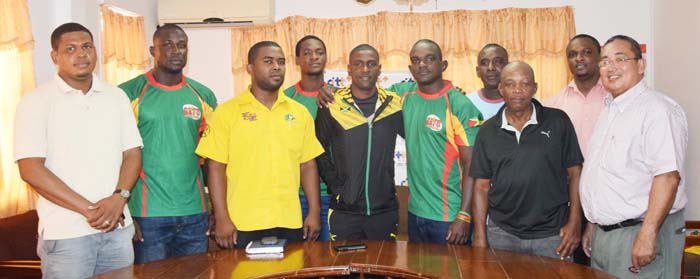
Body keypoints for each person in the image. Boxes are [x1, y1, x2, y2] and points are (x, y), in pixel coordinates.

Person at [14, 22, 142, 278]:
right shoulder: (36, 101)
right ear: (55, 56)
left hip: (117, 231)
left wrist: (120, 197)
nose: (81, 54)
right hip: (67, 235)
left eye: (87, 47)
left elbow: (133, 153)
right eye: (70, 49)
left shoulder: (115, 96)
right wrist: (89, 210)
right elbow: (30, 169)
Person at [196, 41, 323, 249]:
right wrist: (221, 217)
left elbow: (307, 165)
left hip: (289, 220)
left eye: (281, 62)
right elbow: (216, 167)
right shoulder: (227, 113)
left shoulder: (300, 113)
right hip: (241, 224)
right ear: (250, 69)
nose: (276, 67)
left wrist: (314, 213)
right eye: (268, 61)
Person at [580, 35, 688, 279]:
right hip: (606, 237)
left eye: (621, 59)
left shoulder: (657, 110)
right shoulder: (609, 111)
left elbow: (668, 177)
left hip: (641, 233)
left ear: (640, 65)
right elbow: (604, 176)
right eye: (605, 61)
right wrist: (593, 225)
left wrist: (648, 235)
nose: (611, 67)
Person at [118, 24, 217, 263]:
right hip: (147, 215)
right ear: (153, 50)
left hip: (195, 213)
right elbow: (113, 156)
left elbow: (214, 159)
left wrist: (214, 207)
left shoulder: (203, 95)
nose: (176, 51)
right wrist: (125, 212)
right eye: (168, 45)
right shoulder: (128, 94)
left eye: (182, 45)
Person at [470, 61, 583, 260]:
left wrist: (575, 222)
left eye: (525, 83)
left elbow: (575, 173)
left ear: (535, 88)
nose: (518, 90)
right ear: (501, 88)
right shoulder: (487, 131)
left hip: (552, 235)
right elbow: (481, 187)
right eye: (510, 84)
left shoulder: (558, 121)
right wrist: (480, 234)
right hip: (502, 234)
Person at [387, 39, 482, 244]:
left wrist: (464, 216)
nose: (422, 65)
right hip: (415, 213)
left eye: (430, 59)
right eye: (416, 60)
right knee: (418, 274)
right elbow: (365, 93)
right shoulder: (402, 94)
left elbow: (472, 166)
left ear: (443, 65)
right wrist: (331, 91)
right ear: (410, 68)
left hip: (449, 218)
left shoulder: (460, 105)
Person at [315, 44, 404, 240]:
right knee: (346, 270)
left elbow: (422, 102)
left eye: (371, 64)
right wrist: (337, 187)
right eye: (359, 64)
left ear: (379, 69)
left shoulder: (395, 103)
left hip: (384, 211)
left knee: (381, 270)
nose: (365, 69)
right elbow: (318, 150)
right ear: (349, 69)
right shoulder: (331, 104)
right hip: (344, 212)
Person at [284, 35, 332, 241]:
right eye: (307, 53)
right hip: (295, 196)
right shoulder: (284, 99)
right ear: (297, 60)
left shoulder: (338, 97)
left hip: (333, 196)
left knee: (332, 263)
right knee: (297, 263)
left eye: (319, 52)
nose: (314, 57)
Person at [545, 34, 606, 156]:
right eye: (572, 55)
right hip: (568, 174)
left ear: (600, 57)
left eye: (587, 52)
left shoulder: (616, 99)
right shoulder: (553, 105)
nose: (579, 58)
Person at [466, 44, 508, 120]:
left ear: (508, 67)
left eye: (497, 62)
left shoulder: (524, 101)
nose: (491, 68)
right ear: (478, 71)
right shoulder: (467, 103)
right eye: (484, 63)